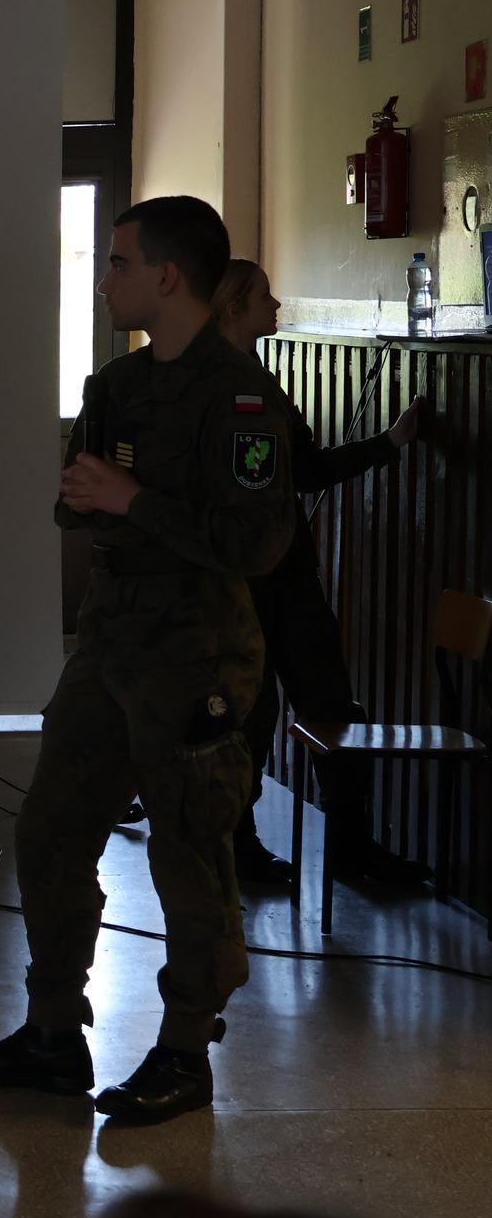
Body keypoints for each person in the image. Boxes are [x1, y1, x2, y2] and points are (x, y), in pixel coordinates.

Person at [0, 197, 295, 1124]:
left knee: (190, 849)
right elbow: (76, 498)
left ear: (168, 276)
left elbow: (257, 543)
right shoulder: (115, 385)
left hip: (198, 653)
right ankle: (53, 1032)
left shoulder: (241, 398)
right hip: (109, 642)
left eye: (118, 263)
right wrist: (91, 494)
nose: (105, 280)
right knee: (51, 830)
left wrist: (132, 499)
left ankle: (185, 1051)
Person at [212, 259, 428, 886]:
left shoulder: (260, 380)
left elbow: (302, 469)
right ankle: (239, 844)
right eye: (264, 295)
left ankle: (349, 848)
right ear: (233, 307)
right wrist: (387, 445)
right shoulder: (209, 387)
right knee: (251, 713)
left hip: (287, 574)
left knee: (331, 706)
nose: (276, 304)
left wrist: (388, 444)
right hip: (242, 580)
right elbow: (292, 473)